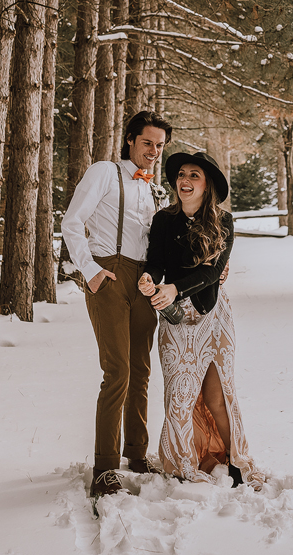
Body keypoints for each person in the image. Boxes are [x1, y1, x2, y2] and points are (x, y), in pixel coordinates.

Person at [61, 110, 172, 499]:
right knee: (118, 370)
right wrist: (89, 270)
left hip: (143, 280)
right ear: (130, 140)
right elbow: (72, 221)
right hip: (108, 274)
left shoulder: (154, 189)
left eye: (159, 146)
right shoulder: (105, 172)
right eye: (147, 143)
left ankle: (137, 455)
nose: (153, 151)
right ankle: (105, 467)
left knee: (141, 370)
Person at [138, 151, 264, 489]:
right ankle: (183, 462)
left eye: (194, 175)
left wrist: (174, 288)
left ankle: (236, 461)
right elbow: (156, 261)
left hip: (212, 316)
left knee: (217, 395)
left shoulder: (223, 221)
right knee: (179, 396)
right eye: (181, 174)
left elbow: (212, 272)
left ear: (207, 184)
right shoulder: (164, 220)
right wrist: (150, 279)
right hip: (175, 319)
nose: (185, 180)